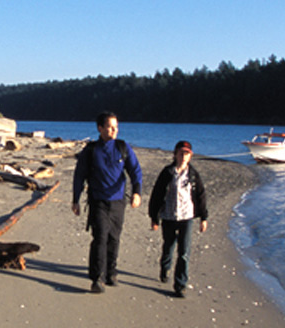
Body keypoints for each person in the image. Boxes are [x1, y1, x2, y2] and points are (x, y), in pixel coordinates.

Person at [72, 111, 143, 294]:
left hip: (118, 202)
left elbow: (135, 170)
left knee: (114, 238)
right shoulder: (91, 150)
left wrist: (137, 192)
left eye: (116, 127)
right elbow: (79, 176)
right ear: (100, 128)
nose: (114, 130)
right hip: (98, 202)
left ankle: (111, 272)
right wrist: (76, 200)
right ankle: (97, 278)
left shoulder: (122, 147)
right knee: (100, 238)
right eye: (110, 127)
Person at [148, 140, 207, 298]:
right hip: (168, 216)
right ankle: (165, 268)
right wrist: (154, 217)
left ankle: (180, 285)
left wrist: (203, 218)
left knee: (184, 252)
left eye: (186, 154)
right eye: (181, 153)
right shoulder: (167, 173)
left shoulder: (193, 175)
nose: (183, 156)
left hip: (186, 217)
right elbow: (157, 195)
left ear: (190, 156)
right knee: (168, 246)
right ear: (175, 154)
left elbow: (200, 196)